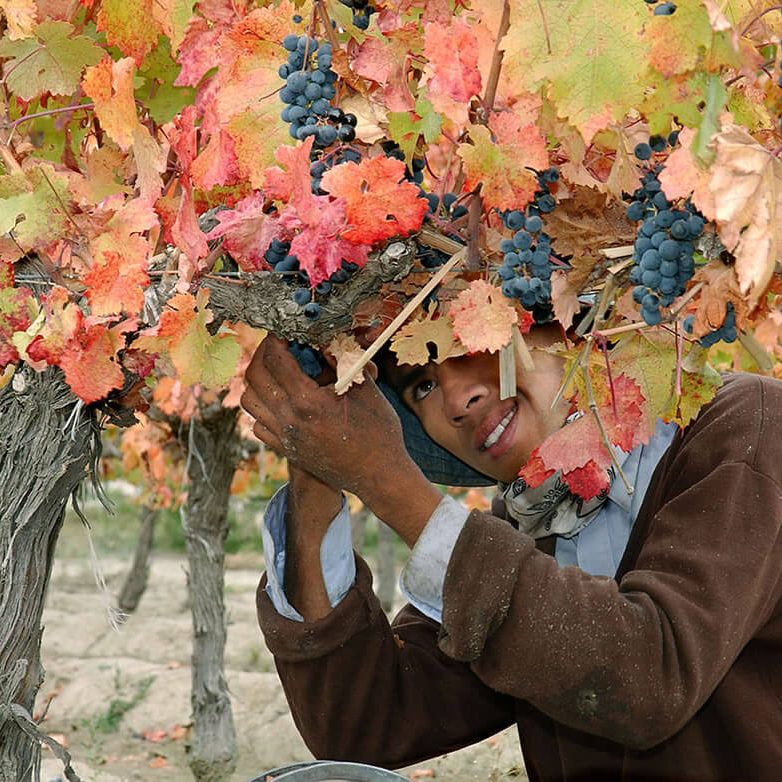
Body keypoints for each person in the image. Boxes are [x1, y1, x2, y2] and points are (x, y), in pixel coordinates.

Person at [240, 325, 782, 782]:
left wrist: (389, 485)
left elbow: (652, 674)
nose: (456, 401)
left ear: (572, 323)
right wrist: (314, 466)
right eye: (423, 384)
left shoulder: (746, 428)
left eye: (473, 339)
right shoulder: (525, 527)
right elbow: (366, 724)